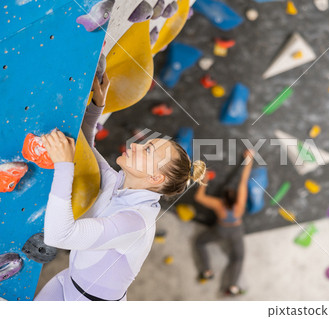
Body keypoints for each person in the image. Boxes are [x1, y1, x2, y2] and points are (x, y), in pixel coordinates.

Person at [35, 74, 206, 301]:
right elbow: (87, 145)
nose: (134, 145)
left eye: (147, 151)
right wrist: (97, 105)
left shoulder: (134, 222)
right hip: (68, 282)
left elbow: (59, 236)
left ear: (155, 178)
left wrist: (64, 165)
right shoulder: (117, 183)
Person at [194, 149, 254, 296]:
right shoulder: (240, 204)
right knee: (238, 258)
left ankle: (207, 270)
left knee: (199, 243)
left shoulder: (218, 204)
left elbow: (199, 198)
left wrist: (205, 181)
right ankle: (233, 286)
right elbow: (243, 180)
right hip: (236, 230)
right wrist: (249, 160)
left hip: (220, 229)